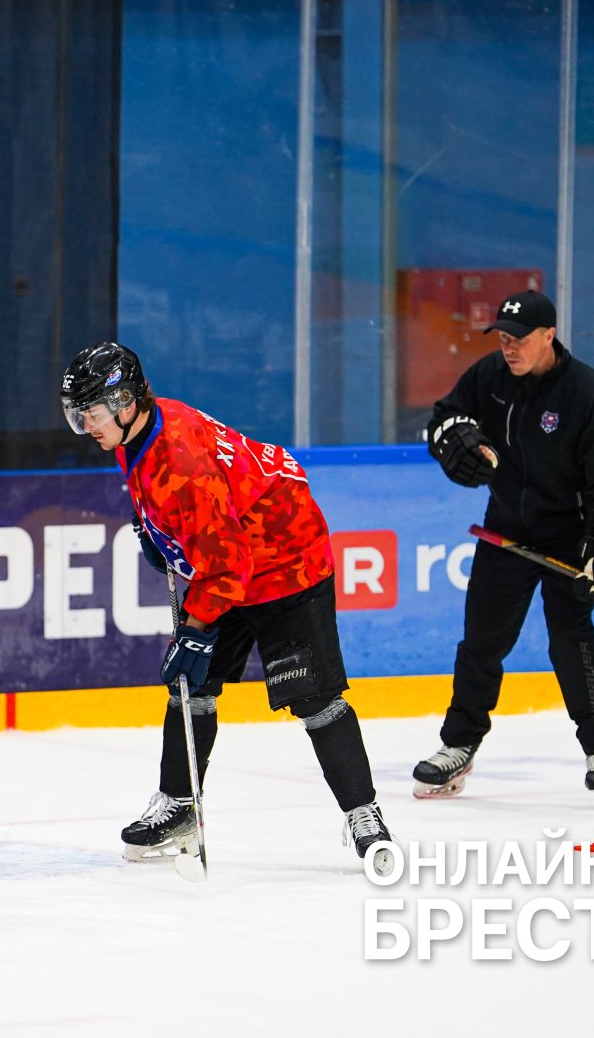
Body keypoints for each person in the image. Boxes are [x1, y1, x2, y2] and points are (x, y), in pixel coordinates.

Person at [59, 341, 393, 871]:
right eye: (78, 416)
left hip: (287, 559)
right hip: (231, 553)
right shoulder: (139, 430)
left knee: (314, 697)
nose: (85, 426)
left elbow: (227, 567)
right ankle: (180, 804)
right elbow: (203, 531)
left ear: (125, 404)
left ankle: (364, 813)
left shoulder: (181, 463)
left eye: (91, 414)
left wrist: (196, 632)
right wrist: (155, 527)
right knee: (189, 683)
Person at [413, 290, 594, 805]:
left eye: (520, 339)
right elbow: (443, 419)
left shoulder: (588, 395)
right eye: (504, 339)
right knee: (481, 641)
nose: (509, 348)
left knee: (571, 641)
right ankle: (458, 744)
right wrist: (454, 441)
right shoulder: (489, 377)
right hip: (505, 531)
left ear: (548, 336)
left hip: (566, 536)